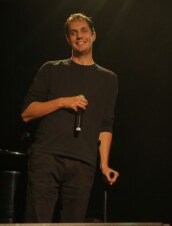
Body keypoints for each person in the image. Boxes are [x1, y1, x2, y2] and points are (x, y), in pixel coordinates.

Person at [21, 13, 119, 222]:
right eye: (73, 33)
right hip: (46, 158)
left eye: (84, 31)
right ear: (68, 39)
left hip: (83, 163)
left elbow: (106, 125)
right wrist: (63, 101)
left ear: (93, 35)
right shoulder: (51, 69)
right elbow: (27, 113)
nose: (79, 36)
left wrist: (104, 165)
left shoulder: (108, 79)